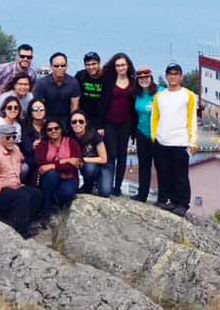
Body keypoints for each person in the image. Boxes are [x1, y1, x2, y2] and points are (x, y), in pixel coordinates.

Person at [151, 62, 198, 217]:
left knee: (180, 175)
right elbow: (155, 118)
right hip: (162, 140)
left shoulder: (189, 95)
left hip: (180, 141)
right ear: (166, 76)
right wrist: (154, 136)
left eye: (176, 74)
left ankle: (183, 203)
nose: (173, 77)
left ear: (181, 76)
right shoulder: (159, 96)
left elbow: (192, 119)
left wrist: (193, 142)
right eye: (170, 74)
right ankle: (170, 200)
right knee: (165, 173)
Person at [99, 52, 137, 196]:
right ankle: (106, 183)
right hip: (109, 122)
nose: (120, 68)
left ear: (128, 66)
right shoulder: (108, 81)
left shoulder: (133, 82)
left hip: (126, 123)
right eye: (118, 65)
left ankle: (117, 187)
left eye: (123, 65)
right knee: (111, 155)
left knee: (123, 156)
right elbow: (102, 103)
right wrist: (100, 125)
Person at [0, 44, 36, 134]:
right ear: (17, 56)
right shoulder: (4, 69)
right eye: (22, 56)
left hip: (13, 119)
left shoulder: (32, 74)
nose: (25, 59)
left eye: (29, 57)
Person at [33, 119, 81, 218]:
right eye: (50, 129)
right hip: (49, 178)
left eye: (56, 128)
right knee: (52, 174)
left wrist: (52, 165)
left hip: (69, 177)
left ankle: (49, 201)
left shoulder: (72, 142)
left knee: (67, 192)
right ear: (46, 132)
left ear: (61, 129)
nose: (53, 131)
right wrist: (64, 161)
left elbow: (75, 164)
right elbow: (40, 163)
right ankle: (46, 211)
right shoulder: (42, 145)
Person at [133, 66, 162, 204]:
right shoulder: (136, 94)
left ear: (151, 78)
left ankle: (162, 197)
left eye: (146, 77)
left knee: (160, 166)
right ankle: (142, 194)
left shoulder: (161, 92)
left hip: (157, 135)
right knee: (143, 166)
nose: (144, 80)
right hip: (141, 133)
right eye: (141, 78)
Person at [32, 52, 81, 126]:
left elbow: (74, 107)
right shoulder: (41, 84)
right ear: (51, 67)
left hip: (66, 119)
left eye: (63, 65)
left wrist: (71, 123)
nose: (60, 68)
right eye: (56, 66)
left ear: (67, 66)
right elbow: (38, 106)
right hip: (46, 119)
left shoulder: (73, 83)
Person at [68, 110, 109, 195]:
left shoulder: (94, 135)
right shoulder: (68, 136)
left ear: (86, 123)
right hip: (81, 165)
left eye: (81, 121)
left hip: (99, 165)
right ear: (70, 124)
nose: (77, 124)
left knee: (105, 192)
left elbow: (104, 159)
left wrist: (82, 159)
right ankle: (87, 185)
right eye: (74, 122)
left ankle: (93, 183)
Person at [74, 52, 106, 132]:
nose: (91, 67)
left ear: (99, 63)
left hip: (102, 120)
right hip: (84, 119)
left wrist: (101, 125)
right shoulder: (80, 75)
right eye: (88, 64)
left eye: (94, 64)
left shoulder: (106, 77)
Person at [19, 97, 48, 184]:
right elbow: (27, 148)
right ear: (30, 112)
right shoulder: (25, 126)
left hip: (48, 159)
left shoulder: (50, 126)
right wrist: (33, 145)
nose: (39, 112)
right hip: (29, 159)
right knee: (24, 168)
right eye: (35, 110)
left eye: (41, 109)